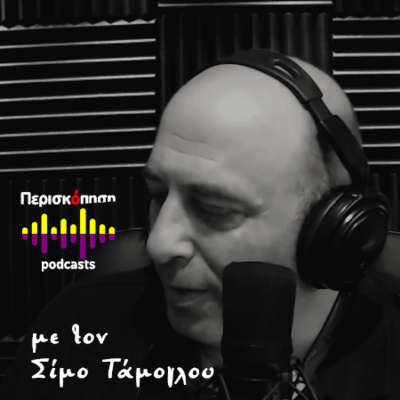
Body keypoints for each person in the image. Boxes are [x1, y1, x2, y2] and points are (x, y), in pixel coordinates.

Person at [2, 49, 399, 400]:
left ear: (336, 232)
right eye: (157, 194)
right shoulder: (78, 330)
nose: (159, 244)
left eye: (213, 209)